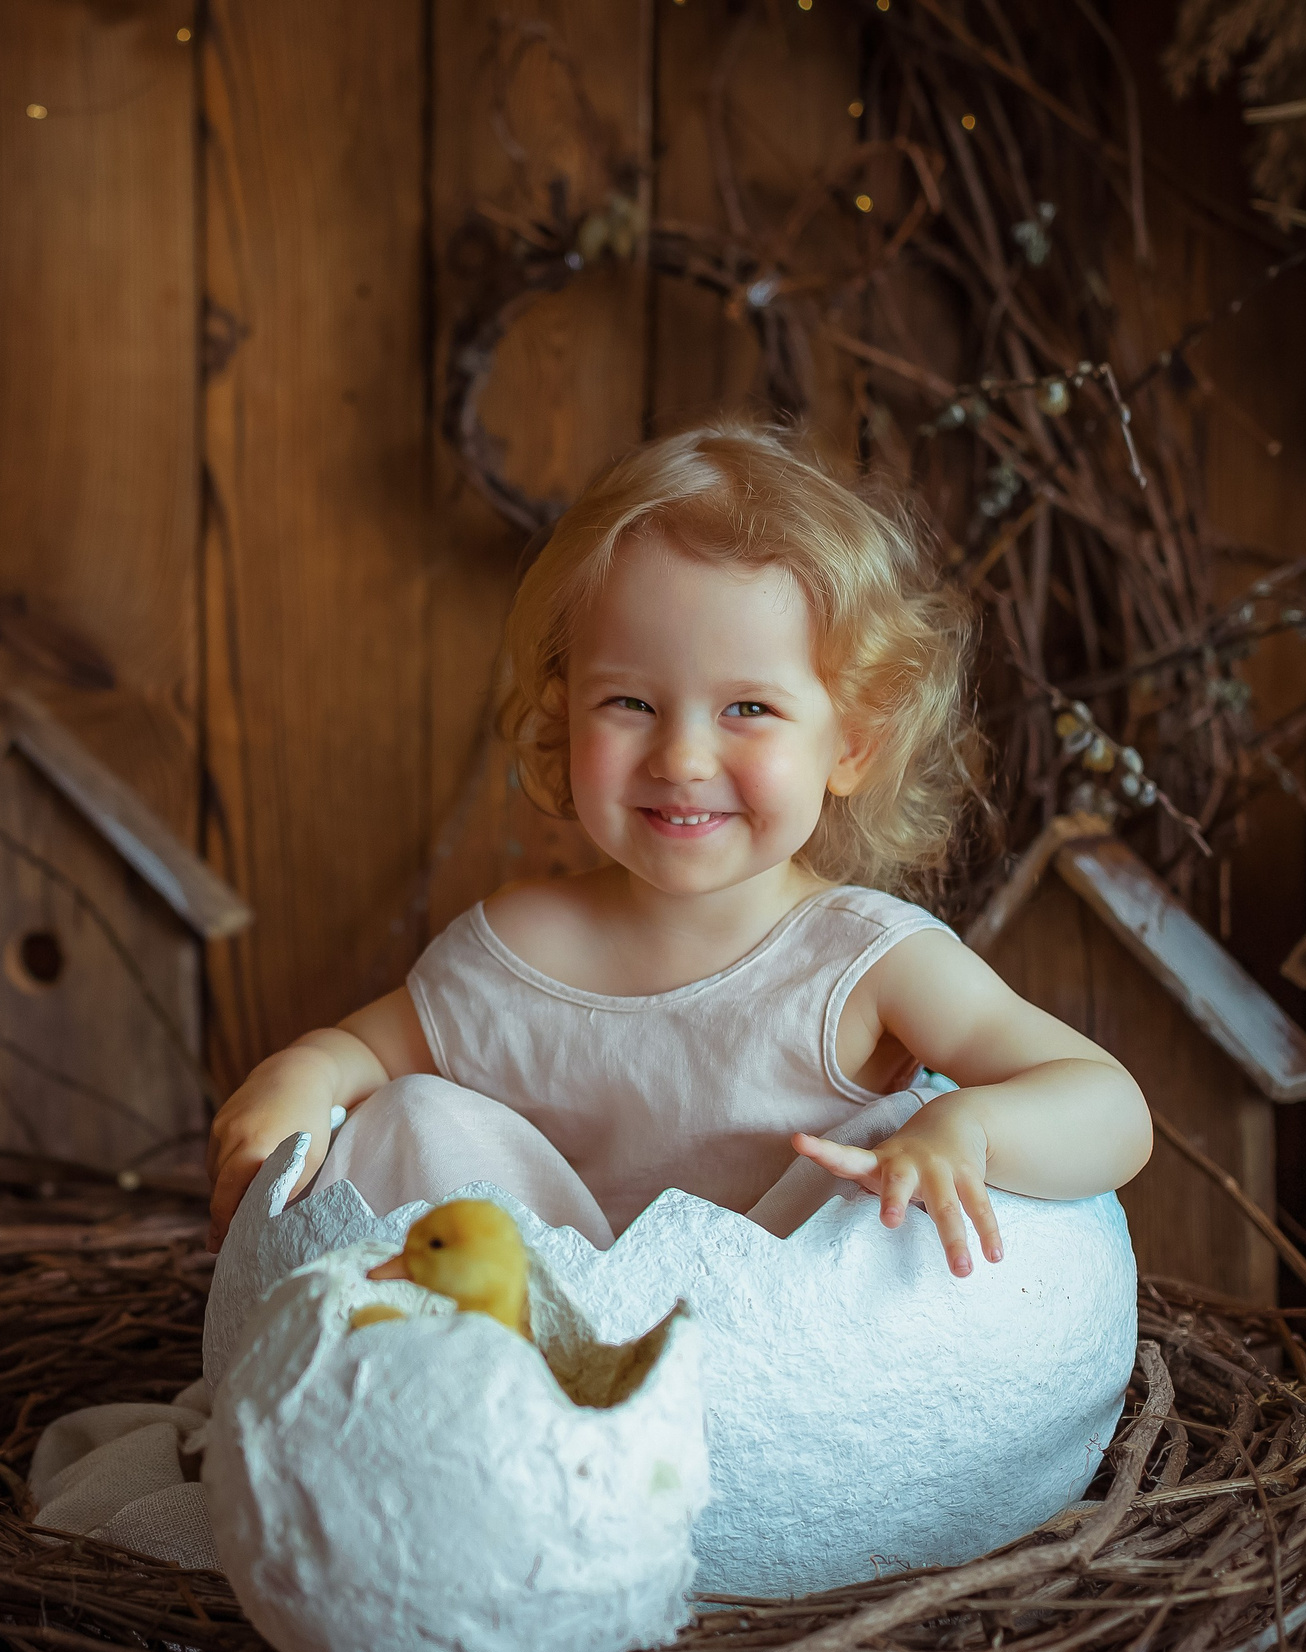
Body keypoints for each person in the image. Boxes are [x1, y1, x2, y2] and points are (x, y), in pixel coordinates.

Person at [206, 421, 1151, 1272]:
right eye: (630, 703)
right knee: (409, 1114)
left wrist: (967, 1124)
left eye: (749, 708)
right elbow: (360, 1054)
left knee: (889, 1146)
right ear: (561, 715)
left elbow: (1111, 1107)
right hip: (543, 1347)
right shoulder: (518, 946)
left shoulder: (867, 964)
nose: (683, 755)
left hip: (778, 1362)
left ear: (850, 745)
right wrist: (306, 1075)